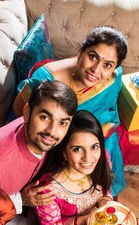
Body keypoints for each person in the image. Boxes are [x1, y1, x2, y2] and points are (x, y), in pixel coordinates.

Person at [12, 26, 129, 197]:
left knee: (107, 144)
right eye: (93, 56)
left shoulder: (113, 79)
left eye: (107, 65)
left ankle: (102, 193)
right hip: (49, 136)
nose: (96, 70)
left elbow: (107, 109)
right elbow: (19, 112)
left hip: (86, 131)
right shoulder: (46, 79)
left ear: (114, 68)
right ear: (81, 51)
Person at [0, 80, 78, 225]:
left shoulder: (41, 136)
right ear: (27, 113)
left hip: (26, 213)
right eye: (44, 117)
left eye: (62, 123)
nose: (52, 131)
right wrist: (20, 200)